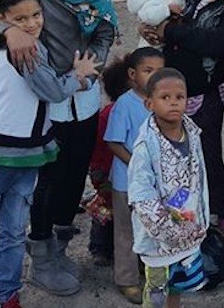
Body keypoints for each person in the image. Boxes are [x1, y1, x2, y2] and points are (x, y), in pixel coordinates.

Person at [0, 0, 117, 296]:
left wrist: (91, 67)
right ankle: (40, 253)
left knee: (74, 174)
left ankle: (59, 244)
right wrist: (10, 35)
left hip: (83, 96)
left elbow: (104, 30)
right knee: (45, 179)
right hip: (42, 99)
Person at [0, 0, 99, 308]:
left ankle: (7, 296)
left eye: (36, 15)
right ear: (2, 19)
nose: (31, 23)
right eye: (20, 18)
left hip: (29, 153)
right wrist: (79, 77)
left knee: (13, 230)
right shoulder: (23, 47)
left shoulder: (25, 42)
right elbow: (49, 89)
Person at [142, 0, 224, 252]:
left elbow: (215, 43)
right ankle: (189, 214)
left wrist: (171, 30)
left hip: (206, 92)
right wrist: (152, 30)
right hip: (175, 90)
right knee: (178, 157)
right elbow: (170, 20)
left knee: (208, 154)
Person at [129, 68, 210, 308]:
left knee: (177, 286)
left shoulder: (192, 134)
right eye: (165, 98)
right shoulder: (145, 147)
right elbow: (143, 199)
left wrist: (197, 223)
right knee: (156, 291)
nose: (173, 103)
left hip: (189, 231)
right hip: (159, 242)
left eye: (179, 97)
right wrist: (171, 233)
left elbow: (199, 180)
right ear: (149, 104)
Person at [104, 47, 165, 303]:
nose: (153, 77)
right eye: (147, 71)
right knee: (126, 230)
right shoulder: (125, 105)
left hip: (154, 181)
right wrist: (138, 164)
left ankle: (147, 267)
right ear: (132, 74)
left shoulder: (163, 100)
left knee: (151, 225)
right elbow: (114, 143)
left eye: (159, 72)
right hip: (126, 181)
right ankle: (126, 279)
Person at [88, 57, 130, 268]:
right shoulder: (108, 115)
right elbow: (98, 147)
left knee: (121, 209)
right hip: (106, 171)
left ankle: (112, 247)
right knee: (104, 210)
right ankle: (99, 248)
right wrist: (98, 172)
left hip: (124, 171)